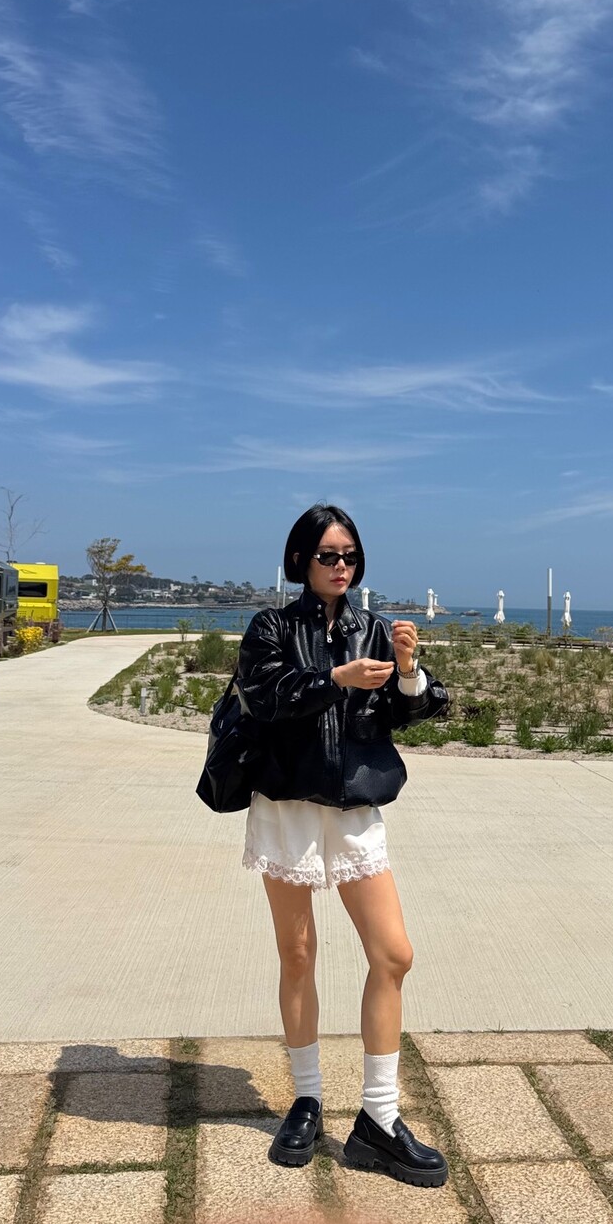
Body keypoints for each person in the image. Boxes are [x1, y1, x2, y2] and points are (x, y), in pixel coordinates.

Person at [236, 504, 450, 1188]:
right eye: (328, 555)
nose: (340, 566)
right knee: (298, 952)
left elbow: (409, 711)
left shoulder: (374, 628)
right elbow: (266, 693)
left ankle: (378, 1119)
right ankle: (306, 1099)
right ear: (301, 559)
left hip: (355, 805)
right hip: (288, 804)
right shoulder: (272, 626)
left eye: (350, 555)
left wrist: (408, 670)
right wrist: (335, 679)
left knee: (393, 953)